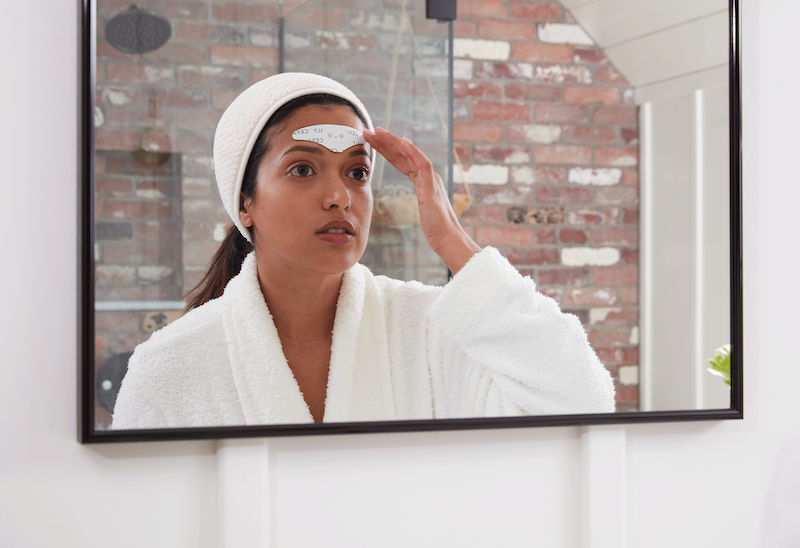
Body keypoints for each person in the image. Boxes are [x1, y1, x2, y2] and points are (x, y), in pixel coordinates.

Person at [111, 72, 615, 429]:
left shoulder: (430, 329)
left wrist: (453, 243)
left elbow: (581, 402)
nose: (339, 197)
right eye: (303, 169)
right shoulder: (170, 368)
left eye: (357, 173)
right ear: (245, 202)